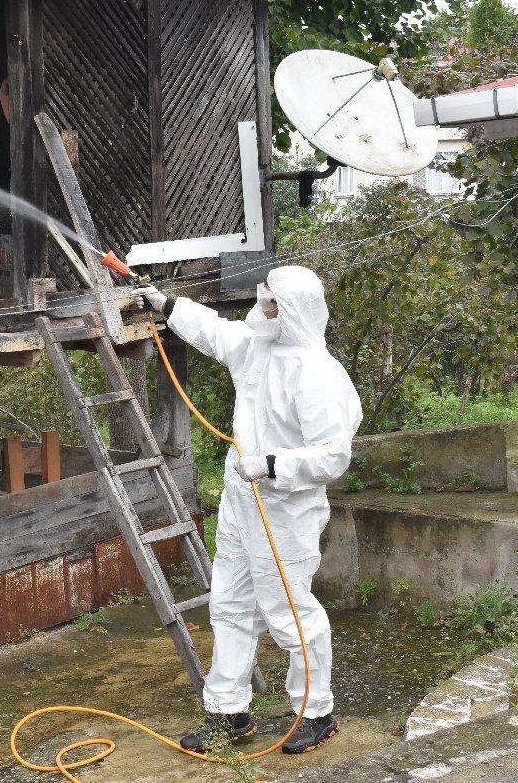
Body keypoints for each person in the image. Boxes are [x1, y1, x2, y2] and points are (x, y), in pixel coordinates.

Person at [136, 265, 362, 755]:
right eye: (264, 300)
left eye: (274, 303)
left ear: (297, 309)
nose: (265, 309)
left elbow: (333, 454)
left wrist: (272, 464)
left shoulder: (318, 374)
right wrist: (164, 303)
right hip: (242, 501)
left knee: (290, 613)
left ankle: (316, 711)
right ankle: (228, 713)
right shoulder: (255, 346)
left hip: (286, 509)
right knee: (231, 605)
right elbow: (213, 330)